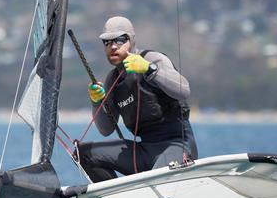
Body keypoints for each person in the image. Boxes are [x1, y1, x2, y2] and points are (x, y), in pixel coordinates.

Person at [77, 16, 198, 182]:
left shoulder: (153, 59)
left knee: (156, 177)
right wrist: (96, 103)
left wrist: (149, 70)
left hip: (176, 145)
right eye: (107, 42)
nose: (113, 46)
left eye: (119, 40)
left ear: (132, 40)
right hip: (142, 151)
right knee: (82, 154)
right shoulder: (113, 80)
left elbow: (183, 90)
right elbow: (106, 130)